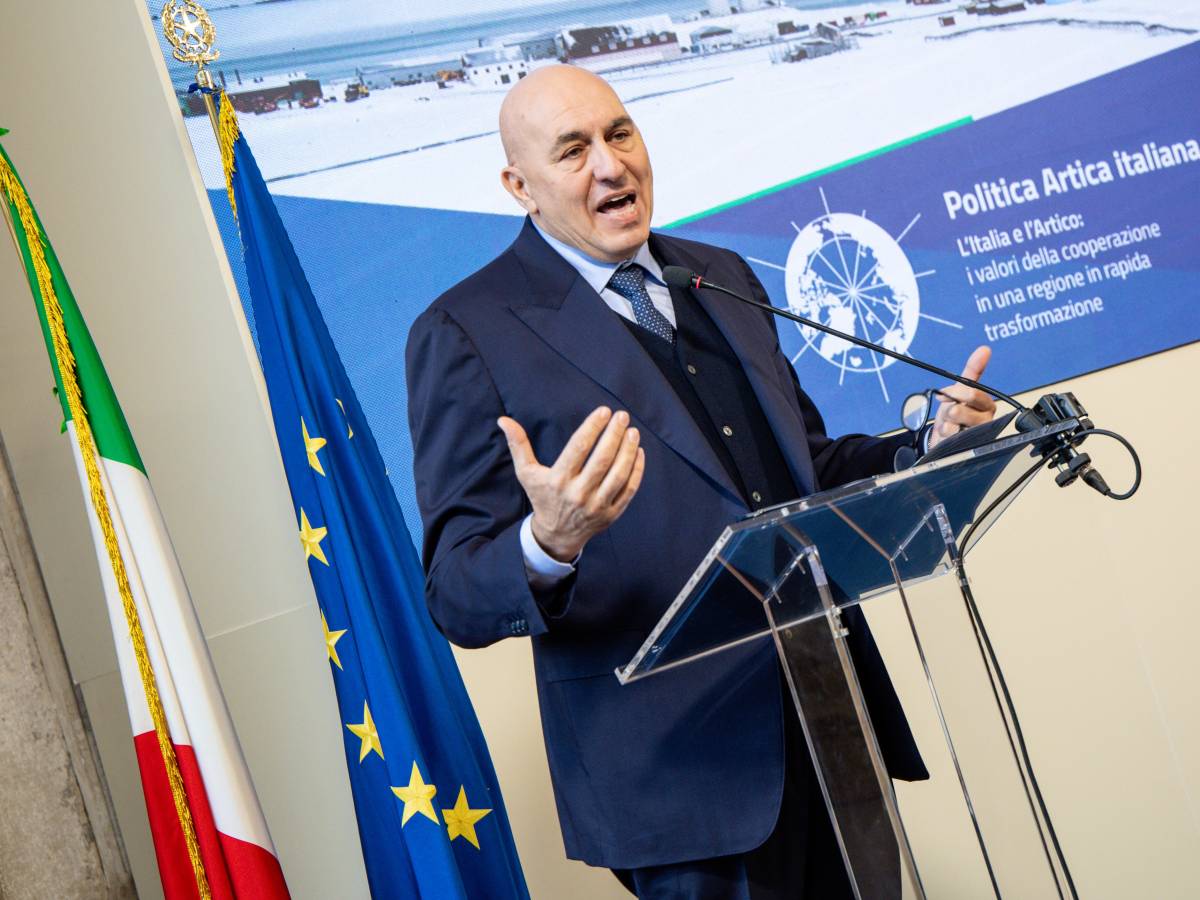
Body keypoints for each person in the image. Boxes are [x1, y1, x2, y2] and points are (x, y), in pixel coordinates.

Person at [405, 65, 996, 899]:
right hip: (680, 782)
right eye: (572, 151)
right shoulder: (466, 331)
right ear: (519, 186)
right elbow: (455, 590)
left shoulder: (720, 276)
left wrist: (925, 445)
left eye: (619, 134)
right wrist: (550, 541)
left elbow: (805, 470)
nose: (610, 165)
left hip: (832, 723)